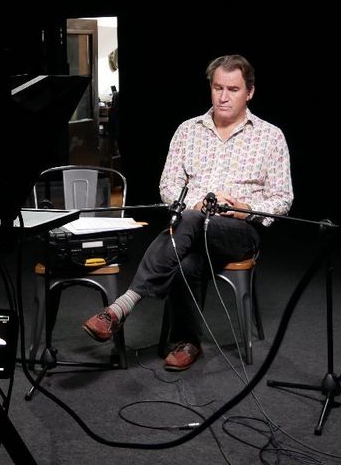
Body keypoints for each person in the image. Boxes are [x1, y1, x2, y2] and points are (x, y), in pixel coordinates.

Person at [82, 54, 293, 371]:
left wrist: (245, 208)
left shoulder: (270, 136)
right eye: (217, 87)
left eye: (232, 89)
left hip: (239, 231)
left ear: (249, 92)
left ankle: (123, 306)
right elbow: (168, 185)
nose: (223, 96)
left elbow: (282, 199)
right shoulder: (187, 131)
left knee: (190, 224)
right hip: (191, 227)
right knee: (188, 252)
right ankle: (188, 343)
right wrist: (192, 204)